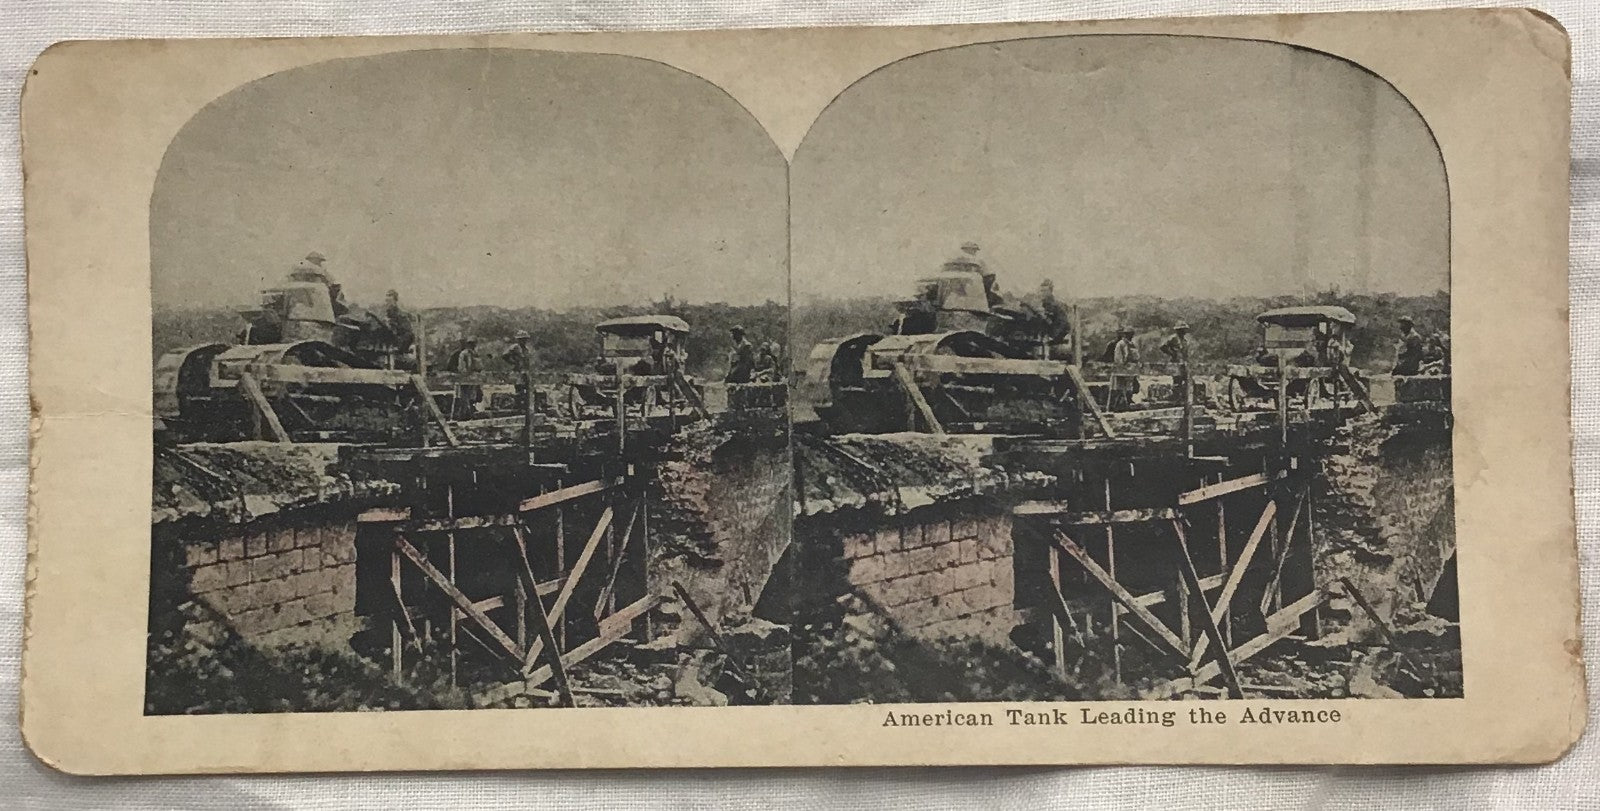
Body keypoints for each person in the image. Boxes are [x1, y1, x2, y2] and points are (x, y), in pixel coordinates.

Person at [502, 330, 535, 411]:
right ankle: (518, 406)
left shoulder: (525, 349)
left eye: (525, 339)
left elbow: (527, 360)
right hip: (518, 371)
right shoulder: (515, 347)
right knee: (519, 388)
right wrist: (513, 362)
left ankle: (525, 407)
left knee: (527, 389)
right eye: (522, 339)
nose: (524, 341)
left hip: (525, 370)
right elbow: (504, 355)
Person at [449, 338, 481, 419]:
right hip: (463, 378)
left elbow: (478, 366)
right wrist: (464, 375)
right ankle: (461, 415)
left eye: (474, 344)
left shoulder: (474, 354)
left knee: (471, 397)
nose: (473, 345)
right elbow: (461, 366)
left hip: (472, 378)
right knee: (461, 397)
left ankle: (469, 414)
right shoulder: (463, 353)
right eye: (471, 344)